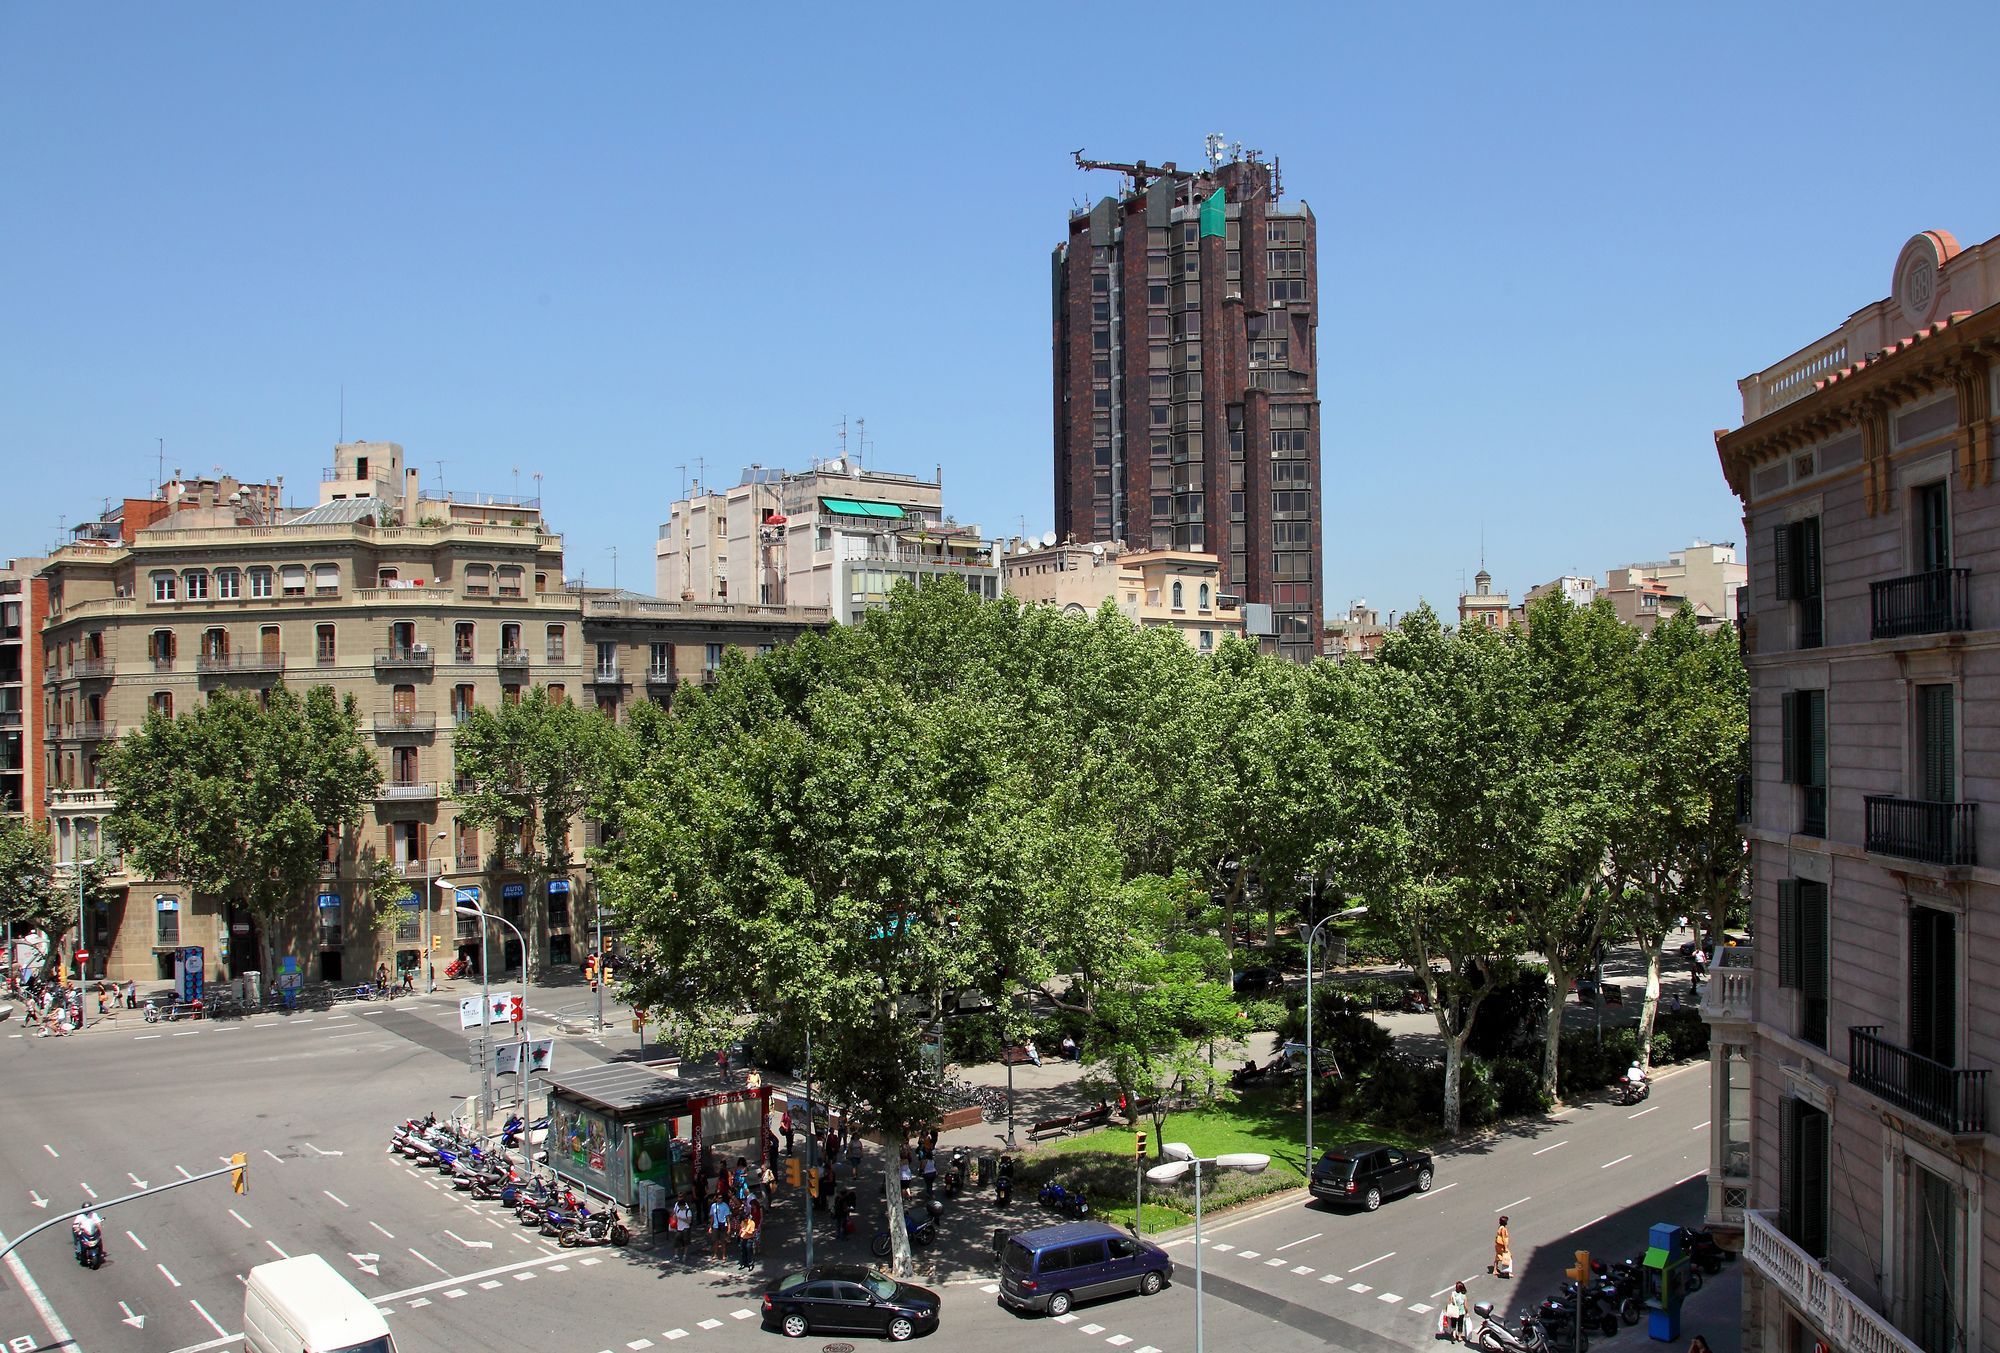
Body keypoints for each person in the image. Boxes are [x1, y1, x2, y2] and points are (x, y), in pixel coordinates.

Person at [707, 1192, 732, 1260]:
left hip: (723, 1224)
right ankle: (715, 1254)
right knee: (715, 1241)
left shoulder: (725, 1206)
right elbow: (712, 1217)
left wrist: (729, 1227)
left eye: (721, 1198)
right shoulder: (713, 1206)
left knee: (723, 1241)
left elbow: (727, 1217)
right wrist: (710, 1227)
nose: (720, 1199)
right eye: (719, 1198)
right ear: (716, 1198)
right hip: (716, 1225)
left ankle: (724, 1255)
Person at [670, 1193, 693, 1262]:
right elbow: (675, 1217)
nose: (679, 1208)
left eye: (680, 1206)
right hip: (679, 1228)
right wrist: (674, 1218)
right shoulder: (678, 1210)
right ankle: (676, 1255)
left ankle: (684, 1255)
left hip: (686, 1229)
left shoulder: (688, 1211)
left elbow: (689, 1221)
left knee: (686, 1243)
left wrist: (681, 1218)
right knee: (676, 1242)